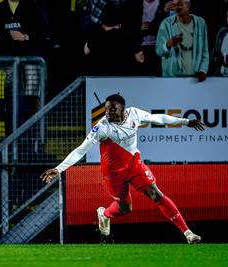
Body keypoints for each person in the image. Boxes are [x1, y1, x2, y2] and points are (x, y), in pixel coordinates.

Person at [41, 93, 204, 244]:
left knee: (156, 194)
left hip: (134, 165)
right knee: (126, 208)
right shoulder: (102, 127)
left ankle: (188, 233)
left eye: (112, 109)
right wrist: (59, 168)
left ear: (122, 109)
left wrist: (186, 121)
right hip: (113, 173)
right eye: (106, 109)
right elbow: (81, 149)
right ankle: (104, 214)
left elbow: (157, 118)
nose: (108, 113)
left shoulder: (134, 114)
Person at [155, 0, 209, 81]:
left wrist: (203, 70)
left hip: (195, 78)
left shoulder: (200, 23)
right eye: (174, 5)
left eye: (179, 4)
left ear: (188, 5)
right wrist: (168, 45)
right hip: (172, 79)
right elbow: (159, 51)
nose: (176, 7)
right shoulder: (166, 23)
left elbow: (205, 50)